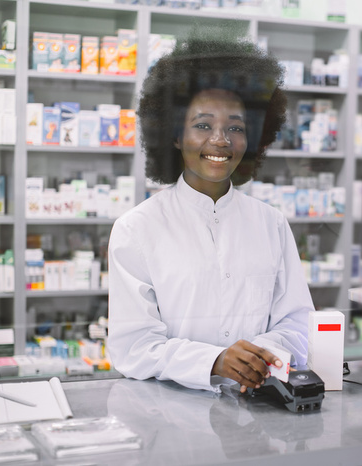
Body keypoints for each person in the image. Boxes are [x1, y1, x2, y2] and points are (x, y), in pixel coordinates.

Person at [107, 33, 314, 393]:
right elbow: (133, 348)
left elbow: (298, 324)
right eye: (203, 125)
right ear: (174, 135)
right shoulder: (137, 229)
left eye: (235, 127)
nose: (221, 140)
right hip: (172, 418)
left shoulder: (271, 224)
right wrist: (214, 361)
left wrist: (258, 357)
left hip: (259, 411)